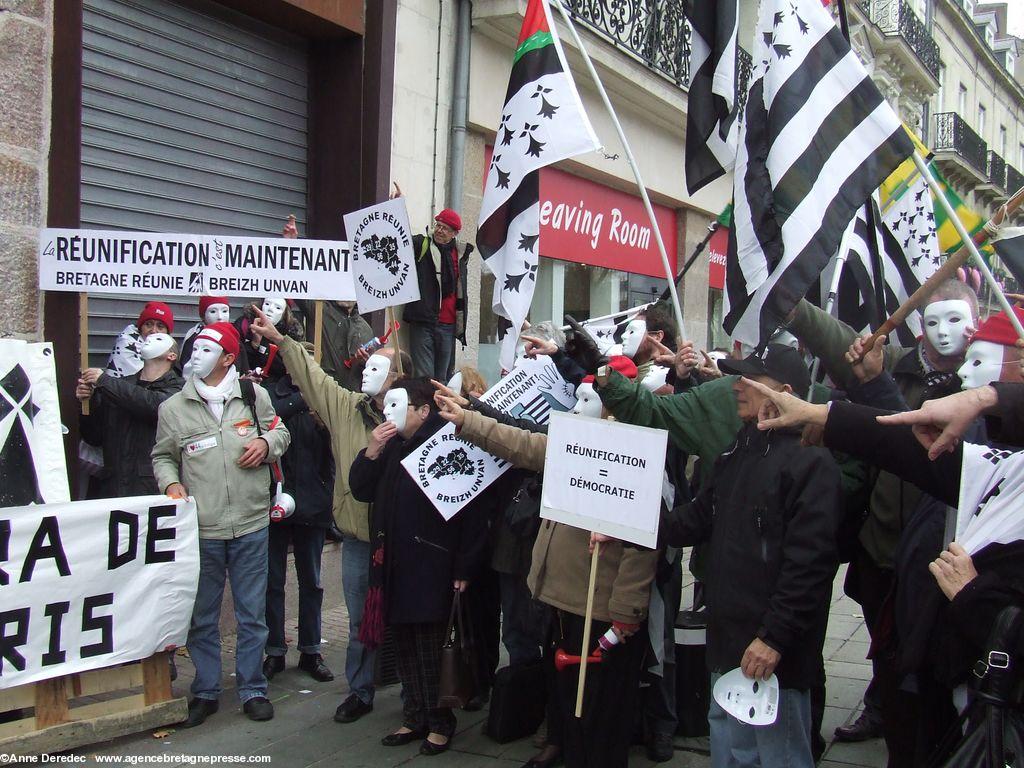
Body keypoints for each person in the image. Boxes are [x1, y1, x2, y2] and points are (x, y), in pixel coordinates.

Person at [745, 376, 1024, 765]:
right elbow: (911, 450)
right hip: (958, 694)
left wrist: (975, 598)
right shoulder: (1012, 470)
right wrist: (819, 415)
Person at [437, 356, 659, 768]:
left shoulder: (635, 453)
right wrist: (467, 420)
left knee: (598, 713)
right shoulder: (574, 441)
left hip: (599, 606)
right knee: (567, 700)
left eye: (587, 400)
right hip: (561, 598)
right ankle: (563, 745)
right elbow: (520, 443)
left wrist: (626, 612)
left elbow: (641, 545)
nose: (573, 410)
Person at [783, 280, 979, 743]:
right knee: (887, 649)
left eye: (956, 319)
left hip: (951, 558)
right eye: (934, 321)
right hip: (885, 547)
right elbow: (842, 343)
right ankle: (885, 708)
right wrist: (791, 306)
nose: (944, 332)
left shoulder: (986, 384)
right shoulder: (895, 367)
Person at [248, 306, 410, 725]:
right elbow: (314, 378)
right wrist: (282, 341)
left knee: (408, 617)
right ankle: (360, 690)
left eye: (381, 366)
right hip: (358, 537)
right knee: (359, 622)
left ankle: (417, 690)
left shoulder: (414, 419)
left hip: (404, 540)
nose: (367, 371)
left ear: (398, 379)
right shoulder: (346, 408)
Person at [152, 322, 290, 728]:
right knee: (202, 615)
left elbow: (281, 433)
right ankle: (206, 690)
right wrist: (172, 482)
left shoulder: (253, 395)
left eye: (207, 349)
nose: (195, 354)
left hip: (250, 523)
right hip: (202, 529)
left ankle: (252, 689)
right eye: (194, 347)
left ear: (229, 358)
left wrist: (266, 445)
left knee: (252, 613)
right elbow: (162, 456)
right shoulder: (174, 408)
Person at [349, 378, 487, 756]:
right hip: (393, 564)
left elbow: (471, 512)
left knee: (431, 648)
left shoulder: (447, 444)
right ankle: (414, 715)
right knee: (405, 646)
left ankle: (440, 721)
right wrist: (371, 451)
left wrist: (464, 567)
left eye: (398, 405)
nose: (385, 412)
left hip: (432, 564)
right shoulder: (392, 446)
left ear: (422, 410)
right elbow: (360, 489)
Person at [262, 342, 336, 684]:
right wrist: (300, 400)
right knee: (273, 581)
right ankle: (274, 650)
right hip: (276, 500)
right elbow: (272, 417)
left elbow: (334, 447)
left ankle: (310, 649)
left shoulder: (324, 396)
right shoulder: (267, 394)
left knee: (312, 582)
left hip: (312, 499)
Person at [77, 333, 184, 498]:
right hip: (113, 487)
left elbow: (153, 405)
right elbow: (94, 437)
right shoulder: (118, 387)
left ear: (172, 356)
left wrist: (105, 382)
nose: (151, 337)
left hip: (151, 488)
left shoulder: (178, 388)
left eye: (159, 338)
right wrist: (88, 402)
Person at [403, 204, 472, 380]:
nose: (439, 230)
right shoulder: (422, 244)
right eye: (438, 225)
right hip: (423, 322)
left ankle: (437, 408)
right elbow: (399, 240)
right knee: (425, 378)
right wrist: (397, 206)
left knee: (443, 379)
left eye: (445, 228)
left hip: (448, 327)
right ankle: (425, 408)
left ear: (454, 233)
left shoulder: (460, 253)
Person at [105, 300, 175, 378]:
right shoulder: (127, 344)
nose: (153, 331)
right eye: (148, 324)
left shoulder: (169, 350)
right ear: (140, 327)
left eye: (160, 326)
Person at [181, 297, 231, 376]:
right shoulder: (194, 338)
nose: (220, 317)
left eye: (224, 311)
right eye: (213, 311)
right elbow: (186, 373)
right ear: (203, 316)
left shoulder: (233, 337)